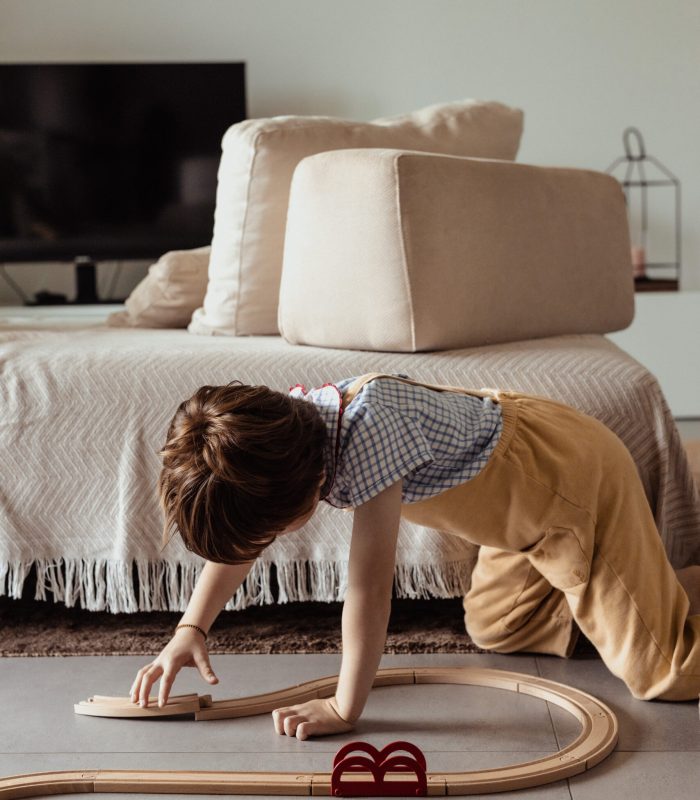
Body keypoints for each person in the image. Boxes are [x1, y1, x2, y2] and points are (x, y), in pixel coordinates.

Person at [130, 372, 700, 740]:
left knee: (665, 673)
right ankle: (651, 588)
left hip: (568, 486)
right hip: (519, 524)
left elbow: (370, 589)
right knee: (499, 627)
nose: (272, 541)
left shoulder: (370, 430)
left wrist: (345, 707)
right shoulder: (287, 430)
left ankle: (642, 598)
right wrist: (191, 628)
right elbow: (242, 546)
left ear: (315, 484)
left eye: (277, 530)